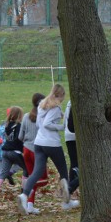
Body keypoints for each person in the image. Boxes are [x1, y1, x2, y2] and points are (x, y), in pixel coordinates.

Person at [17, 85, 76, 214]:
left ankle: (24, 196)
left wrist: (56, 117)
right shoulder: (55, 107)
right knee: (64, 172)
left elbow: (39, 124)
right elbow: (46, 124)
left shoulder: (42, 105)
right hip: (52, 143)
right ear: (60, 95)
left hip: (38, 143)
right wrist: (61, 127)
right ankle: (67, 202)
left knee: (36, 173)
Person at [18, 93, 48, 214]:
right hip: (38, 151)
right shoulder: (44, 117)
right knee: (43, 180)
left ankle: (29, 204)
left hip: (26, 150)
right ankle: (27, 192)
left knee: (32, 177)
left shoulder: (26, 116)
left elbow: (20, 136)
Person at [0, 107, 27, 198]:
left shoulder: (7, 125)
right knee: (26, 169)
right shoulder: (19, 126)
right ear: (20, 116)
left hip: (5, 151)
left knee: (3, 172)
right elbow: (20, 138)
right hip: (15, 152)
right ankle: (24, 191)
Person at [63, 100, 80, 198]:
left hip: (68, 135)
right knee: (86, 166)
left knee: (74, 164)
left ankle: (69, 191)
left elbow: (65, 118)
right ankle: (70, 187)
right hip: (77, 136)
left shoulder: (70, 102)